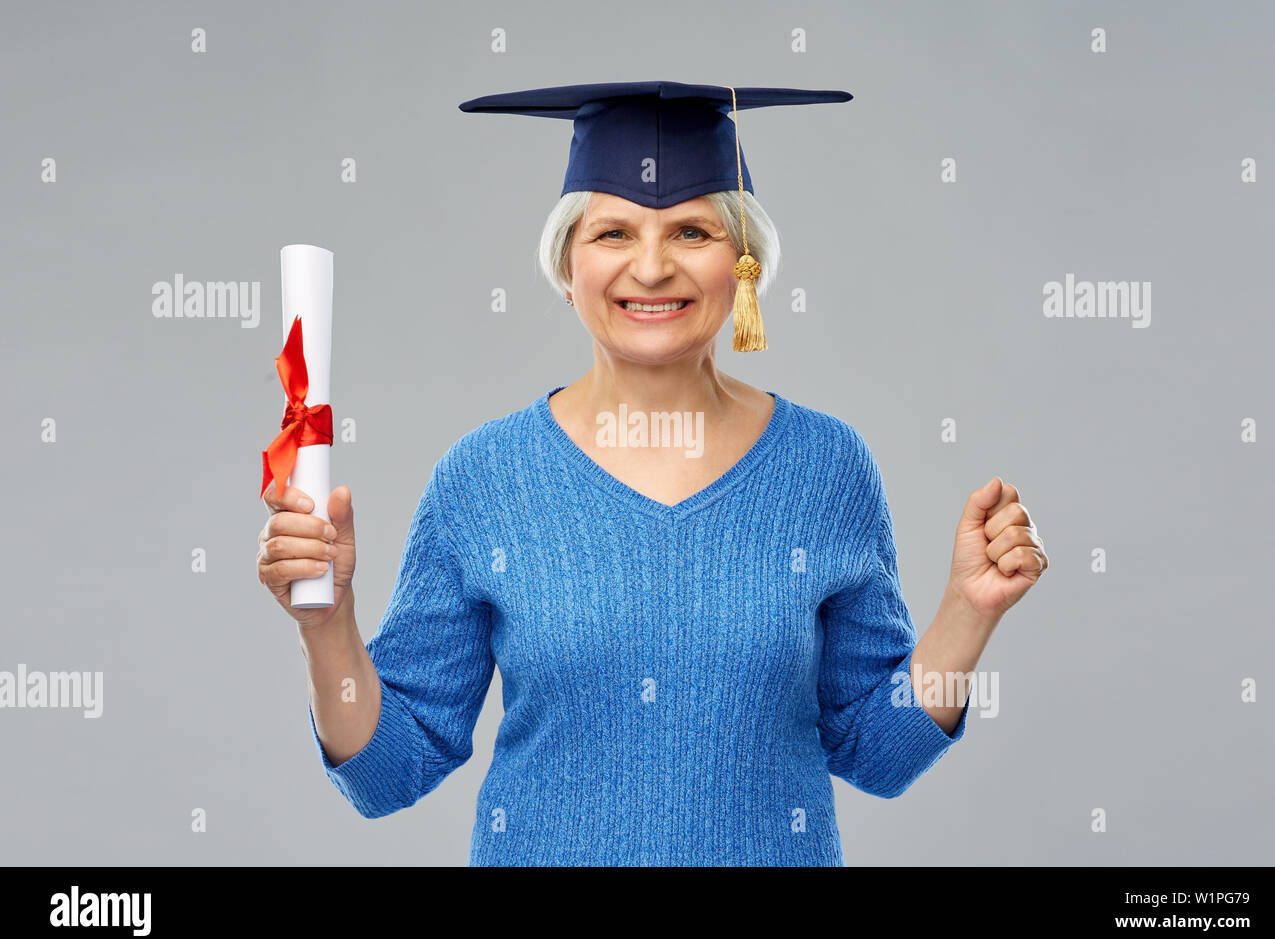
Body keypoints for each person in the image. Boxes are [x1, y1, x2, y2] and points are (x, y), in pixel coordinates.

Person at [256, 81, 1049, 866]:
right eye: (611, 234)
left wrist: (966, 614)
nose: (651, 266)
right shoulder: (484, 478)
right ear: (568, 266)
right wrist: (327, 628)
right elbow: (389, 773)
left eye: (692, 232)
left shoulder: (825, 467)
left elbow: (878, 754)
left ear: (744, 263)